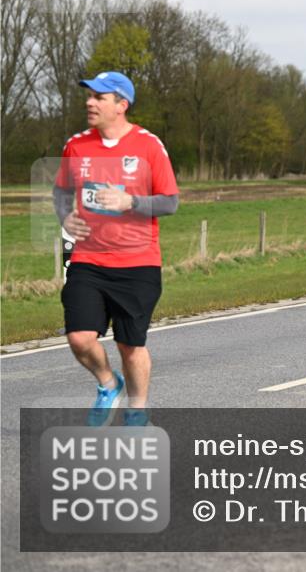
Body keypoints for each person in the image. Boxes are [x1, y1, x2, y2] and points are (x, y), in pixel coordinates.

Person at [53, 72, 179, 426]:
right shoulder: (76, 145)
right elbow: (62, 192)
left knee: (130, 345)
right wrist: (65, 218)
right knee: (79, 337)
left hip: (138, 264)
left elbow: (170, 203)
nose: (90, 102)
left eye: (100, 97)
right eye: (90, 96)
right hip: (88, 260)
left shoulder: (149, 146)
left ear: (121, 105)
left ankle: (137, 410)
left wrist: (131, 201)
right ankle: (109, 383)